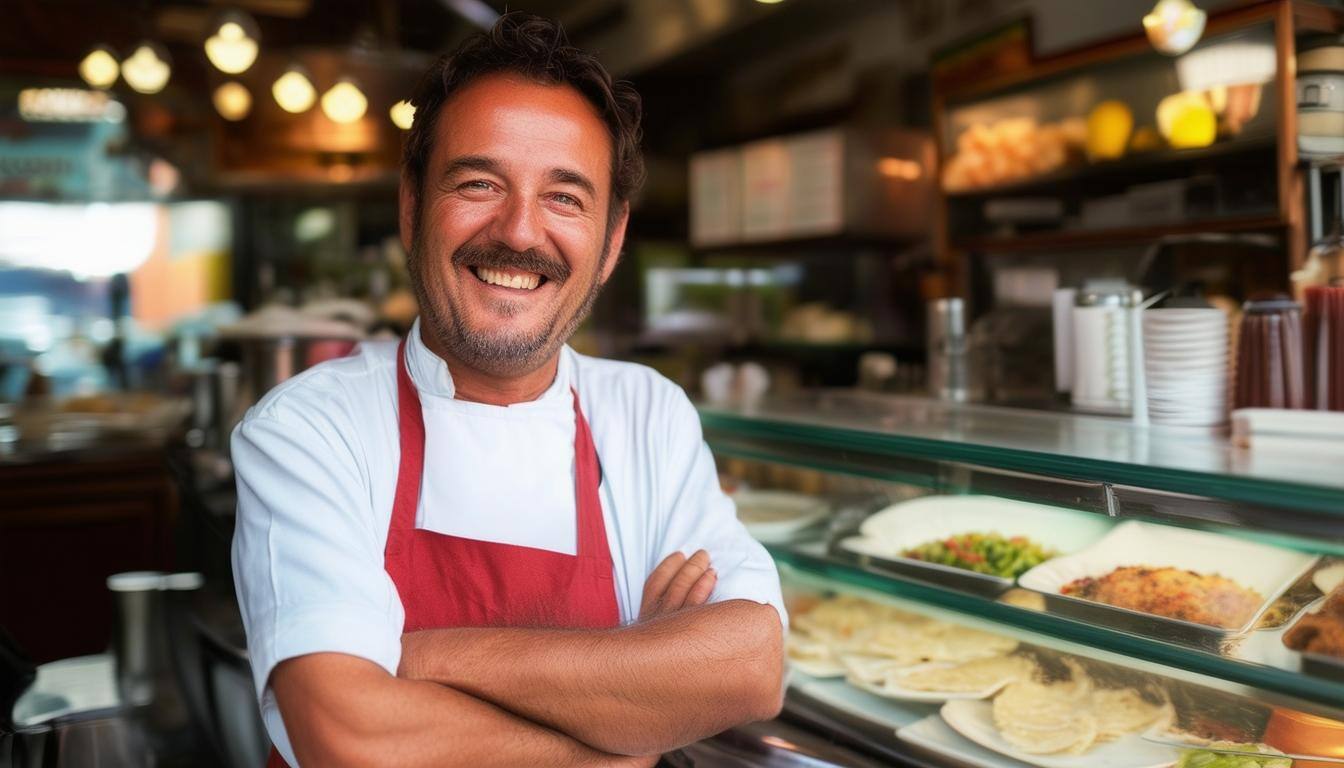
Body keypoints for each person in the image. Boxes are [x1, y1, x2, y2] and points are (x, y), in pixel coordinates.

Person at [231, 13, 786, 768]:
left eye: (565, 197)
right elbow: (349, 736)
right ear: (411, 206)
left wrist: (415, 658)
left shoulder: (645, 414)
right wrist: (624, 728)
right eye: (479, 183)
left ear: (612, 240)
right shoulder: (309, 428)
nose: (520, 232)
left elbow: (748, 667)